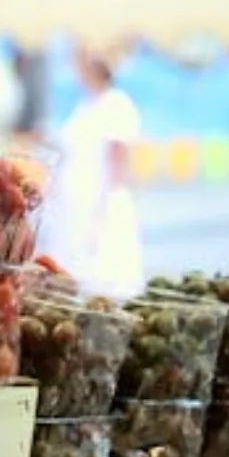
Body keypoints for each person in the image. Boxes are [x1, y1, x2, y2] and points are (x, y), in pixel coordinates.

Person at [39, 50, 143, 298]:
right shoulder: (86, 104)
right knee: (69, 247)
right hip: (73, 188)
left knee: (97, 251)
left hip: (98, 186)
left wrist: (108, 199)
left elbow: (117, 154)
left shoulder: (117, 103)